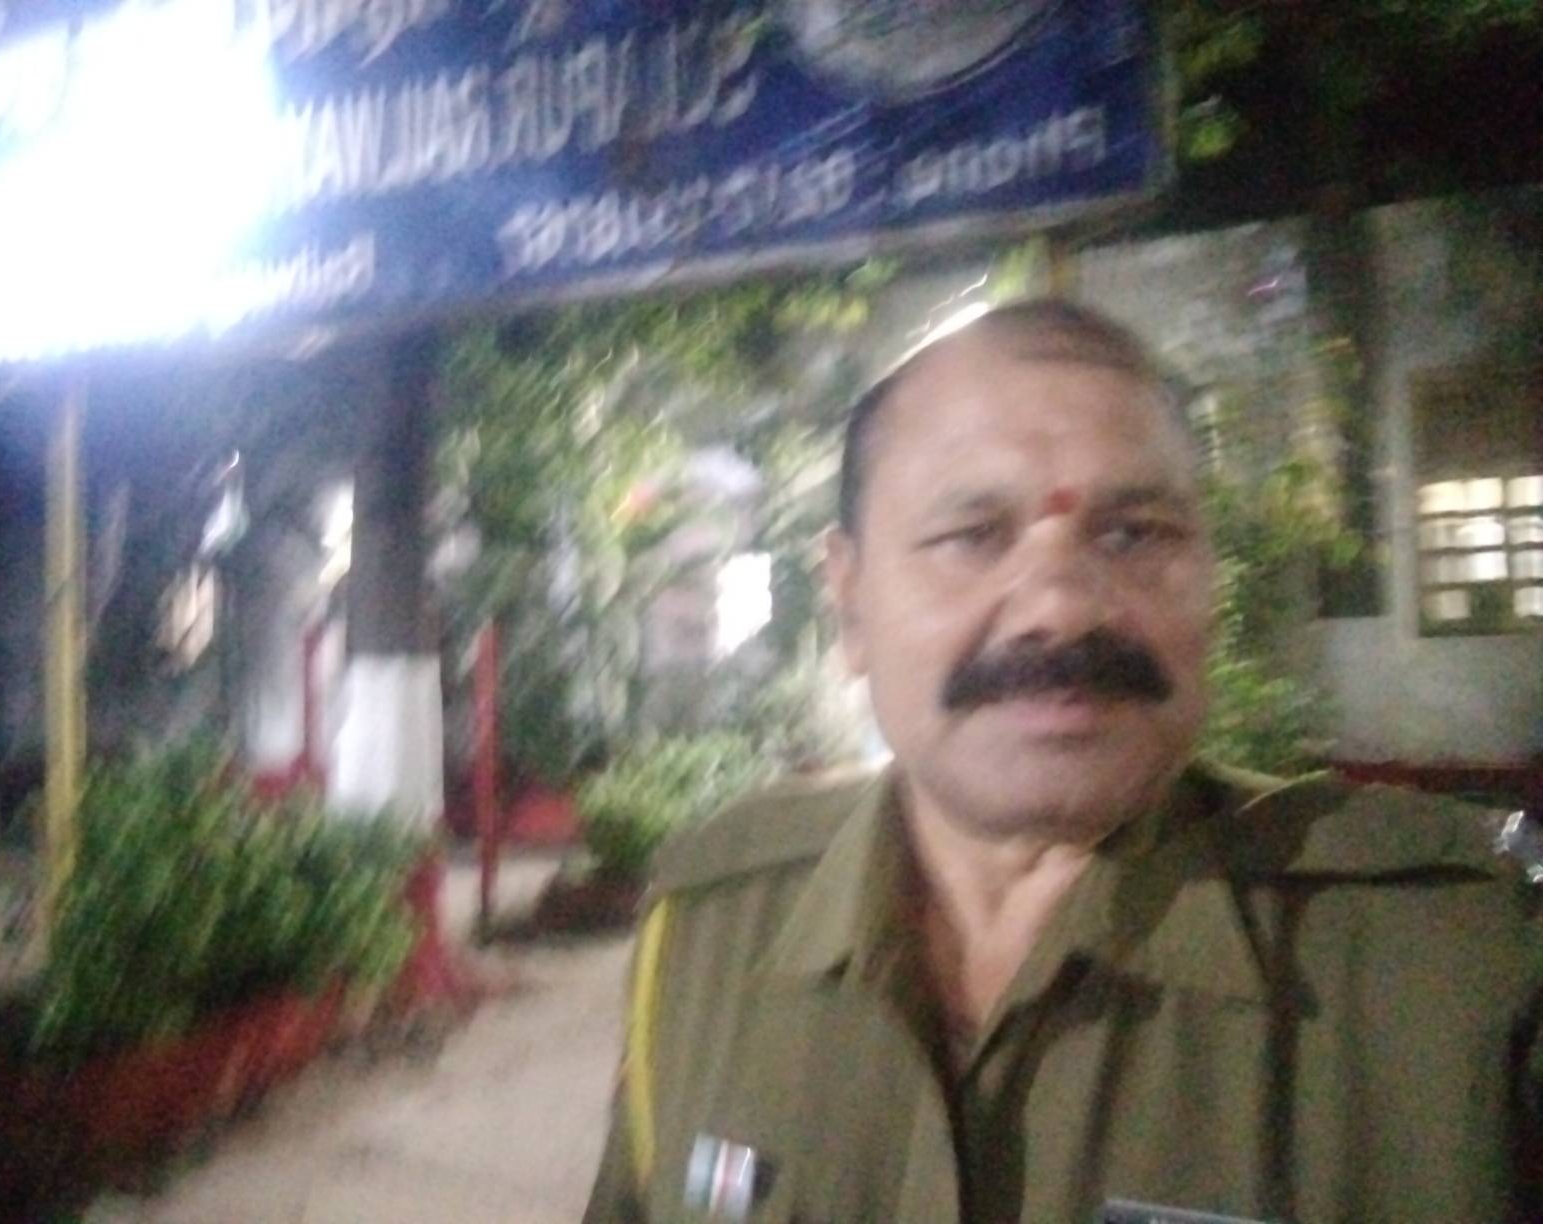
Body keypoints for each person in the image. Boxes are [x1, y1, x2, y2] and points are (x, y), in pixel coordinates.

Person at [582, 299, 1542, 1223]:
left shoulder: (1461, 962)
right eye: (972, 536)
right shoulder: (710, 931)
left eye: (1134, 535)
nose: (1061, 608)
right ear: (850, 603)